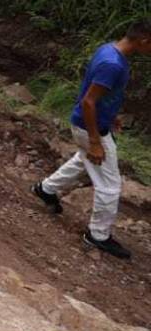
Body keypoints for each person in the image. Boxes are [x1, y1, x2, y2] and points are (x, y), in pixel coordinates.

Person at [32, 20, 151, 260]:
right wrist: (95, 141)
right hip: (90, 128)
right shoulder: (113, 64)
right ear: (144, 41)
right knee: (110, 185)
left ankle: (46, 189)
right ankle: (98, 235)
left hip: (91, 123)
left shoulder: (109, 50)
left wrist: (111, 115)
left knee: (81, 161)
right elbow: (89, 101)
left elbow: (96, 94)